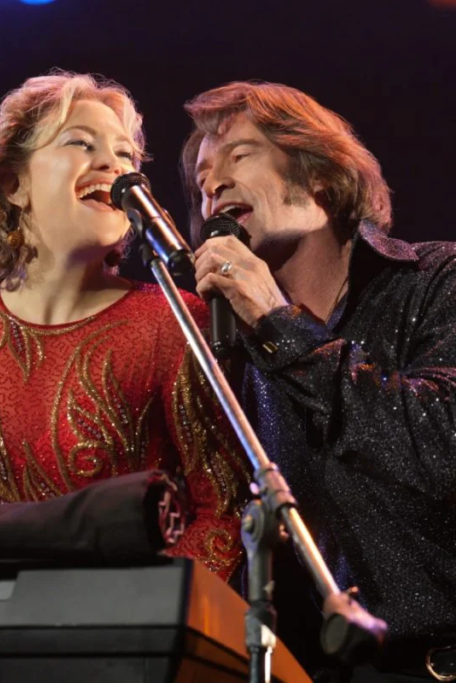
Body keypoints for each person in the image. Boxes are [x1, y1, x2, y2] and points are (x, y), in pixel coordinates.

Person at [0, 71, 250, 582]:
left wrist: (137, 611)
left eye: (126, 155)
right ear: (14, 184)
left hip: (132, 620)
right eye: (81, 143)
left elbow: (225, 509)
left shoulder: (174, 320)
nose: (114, 165)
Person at [184, 81, 456, 680]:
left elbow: (440, 445)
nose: (213, 185)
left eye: (239, 155)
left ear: (321, 179)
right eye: (202, 178)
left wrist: (280, 323)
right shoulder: (237, 354)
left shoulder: (437, 280)